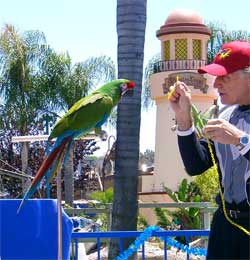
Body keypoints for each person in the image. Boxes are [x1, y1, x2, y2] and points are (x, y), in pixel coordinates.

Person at [169, 40, 250, 259]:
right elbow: (196, 165)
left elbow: (240, 141)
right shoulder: (224, 116)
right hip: (226, 225)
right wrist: (184, 118)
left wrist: (240, 140)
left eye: (226, 77)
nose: (216, 84)